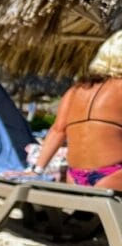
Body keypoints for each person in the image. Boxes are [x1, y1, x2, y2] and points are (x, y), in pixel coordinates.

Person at [31, 32, 122, 189]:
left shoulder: (76, 89)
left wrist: (37, 170)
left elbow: (57, 131)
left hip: (75, 176)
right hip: (113, 174)